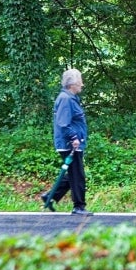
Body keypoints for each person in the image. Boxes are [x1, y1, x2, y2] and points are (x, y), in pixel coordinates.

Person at [41, 68, 93, 216]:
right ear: (72, 84)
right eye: (80, 82)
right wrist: (73, 138)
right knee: (77, 175)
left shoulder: (69, 98)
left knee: (73, 174)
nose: (82, 85)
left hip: (71, 142)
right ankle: (79, 207)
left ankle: (51, 196)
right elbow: (63, 123)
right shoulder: (66, 99)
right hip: (69, 144)